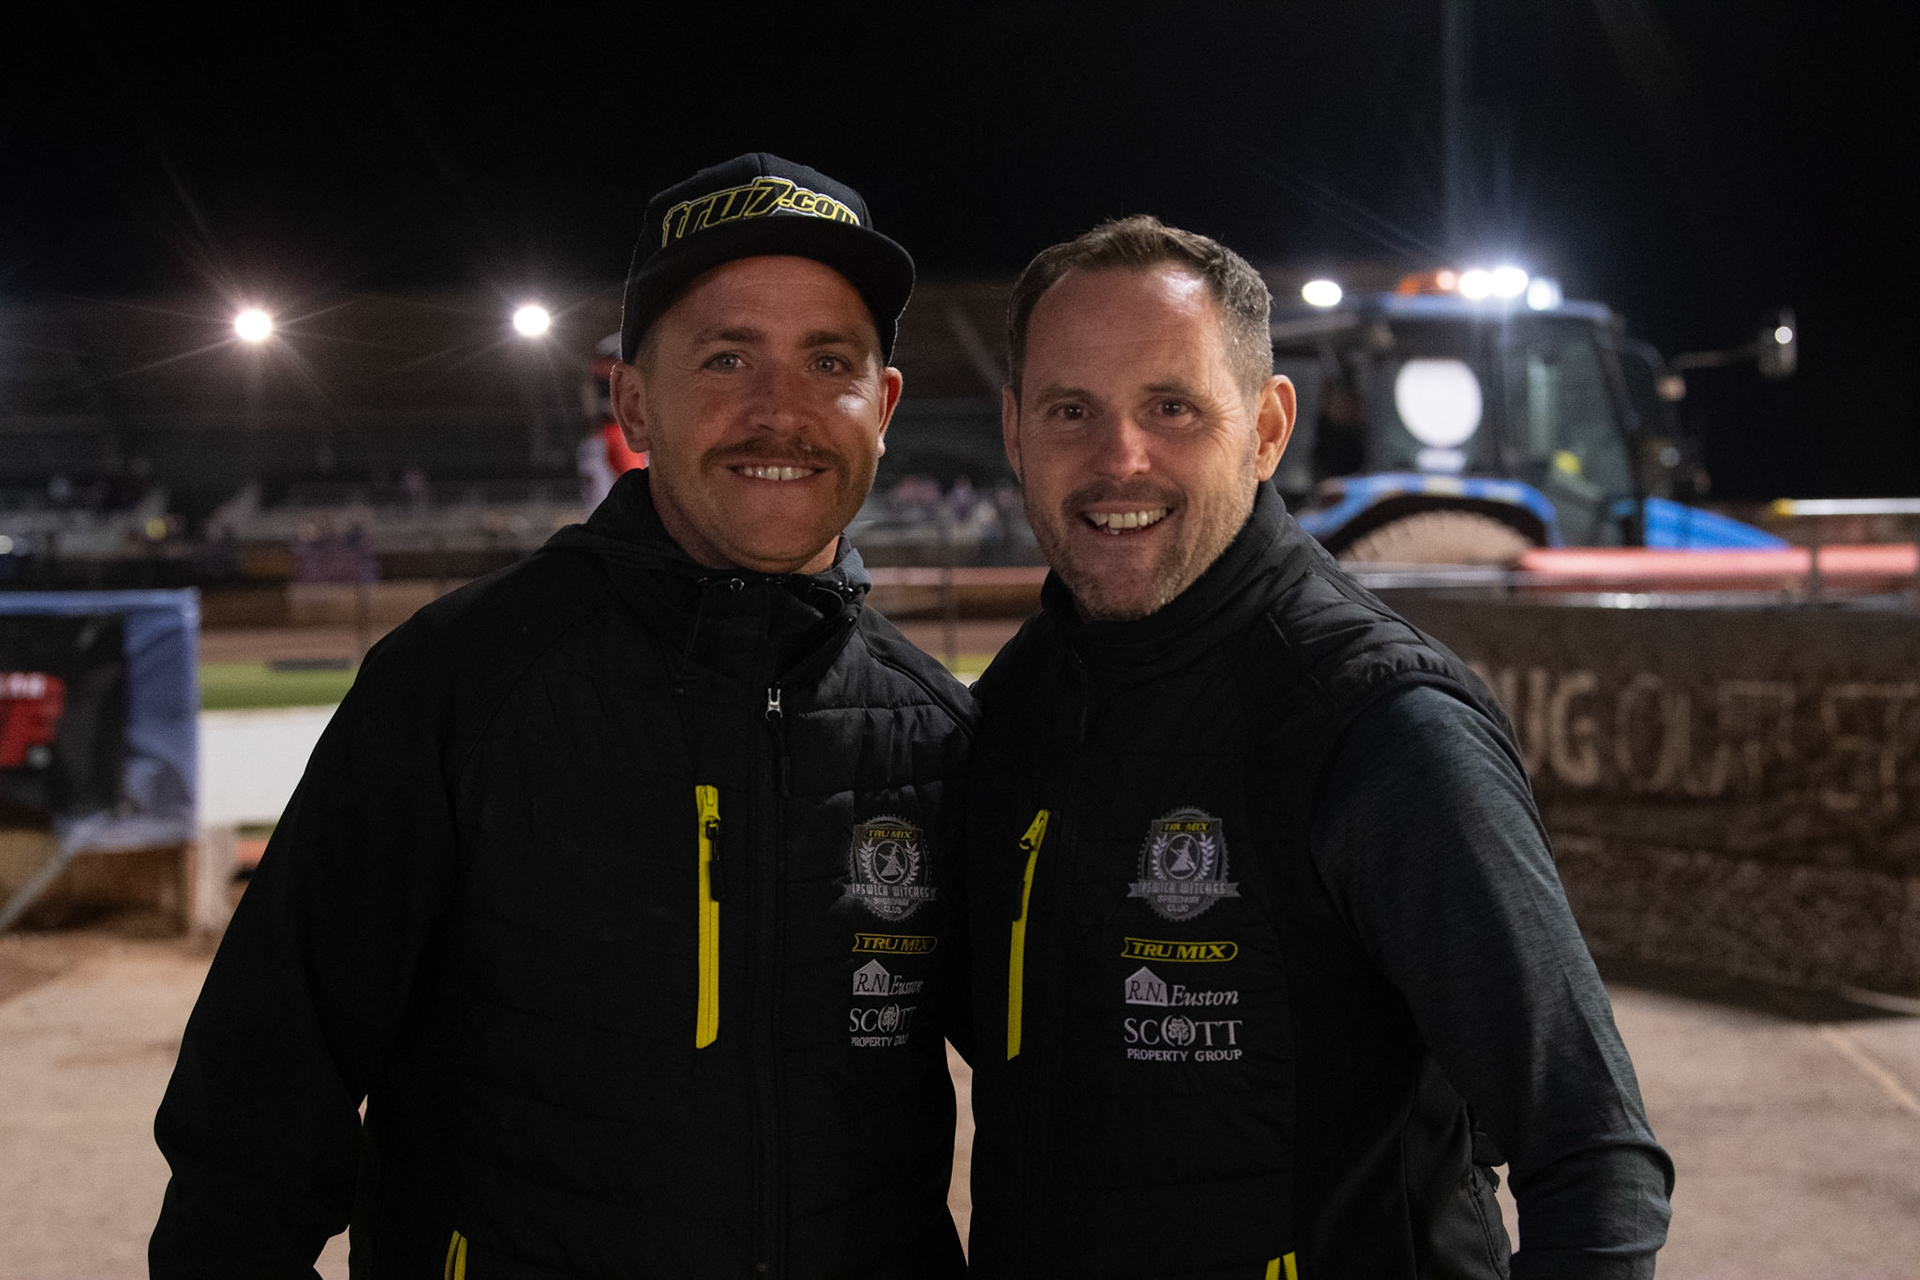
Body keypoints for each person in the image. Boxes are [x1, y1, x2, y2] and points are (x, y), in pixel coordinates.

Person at [151, 154, 976, 1279]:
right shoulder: (455, 685)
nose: (779, 411)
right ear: (633, 402)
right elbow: (255, 1110)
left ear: (881, 407)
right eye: (726, 356)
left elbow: (1082, 1097)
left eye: (828, 362)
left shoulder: (940, 732)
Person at [964, 216, 1673, 1279]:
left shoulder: (1380, 727)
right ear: (1016, 431)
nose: (1120, 459)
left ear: (1266, 428)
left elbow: (1593, 1153)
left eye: (1172, 407)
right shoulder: (1019, 704)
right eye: (1072, 410)